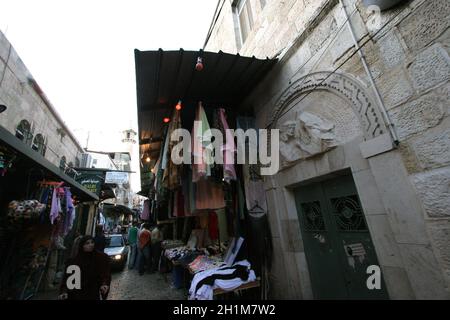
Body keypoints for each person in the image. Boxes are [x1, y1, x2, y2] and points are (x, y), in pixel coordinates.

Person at [59, 235, 111, 300]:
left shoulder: (99, 258)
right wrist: (64, 291)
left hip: (92, 293)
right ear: (82, 246)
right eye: (87, 243)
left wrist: (104, 284)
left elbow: (105, 274)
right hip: (78, 294)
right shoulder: (74, 261)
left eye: (92, 242)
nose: (91, 245)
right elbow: (68, 279)